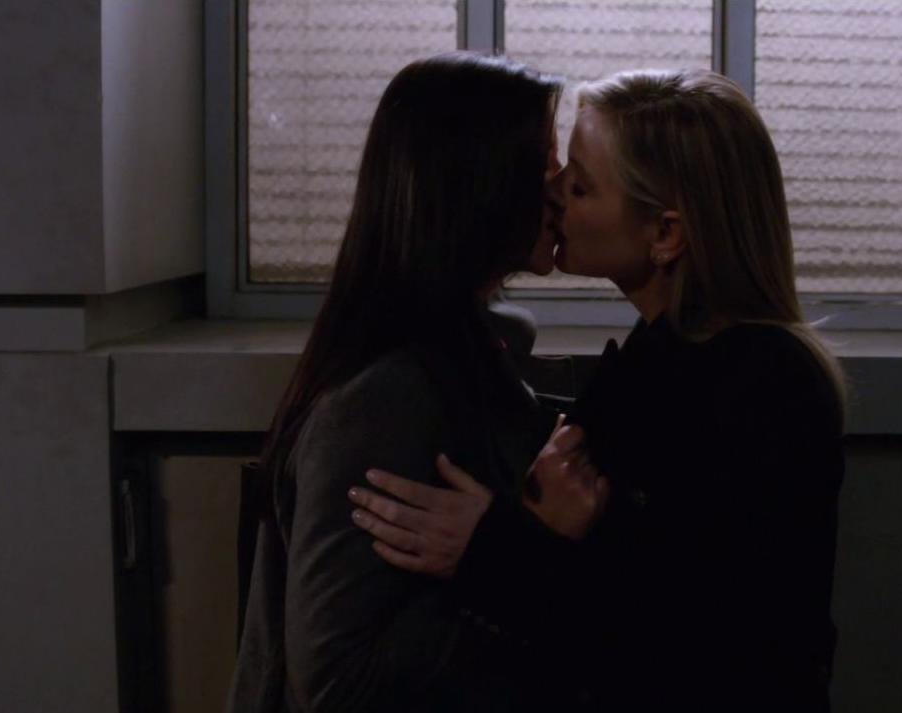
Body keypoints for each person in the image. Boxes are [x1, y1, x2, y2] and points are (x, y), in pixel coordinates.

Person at [347, 68, 849, 711]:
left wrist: (494, 552)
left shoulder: (767, 388)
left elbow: (703, 645)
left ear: (665, 235)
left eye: (580, 185)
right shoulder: (662, 354)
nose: (552, 191)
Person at [224, 51, 575, 713]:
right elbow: (335, 684)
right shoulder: (385, 398)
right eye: (544, 162)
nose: (561, 189)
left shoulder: (473, 350)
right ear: (477, 183)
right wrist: (519, 551)